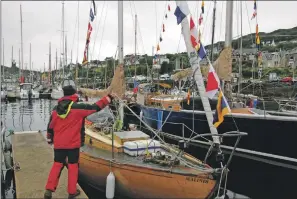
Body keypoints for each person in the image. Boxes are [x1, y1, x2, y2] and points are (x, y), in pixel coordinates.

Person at [44, 85, 114, 199]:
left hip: (59, 144)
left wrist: (49, 139)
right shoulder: (78, 108)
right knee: (73, 167)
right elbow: (96, 107)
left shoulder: (55, 110)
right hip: (73, 145)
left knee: (57, 165)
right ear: (73, 95)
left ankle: (49, 189)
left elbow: (50, 127)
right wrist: (109, 98)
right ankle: (72, 192)